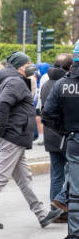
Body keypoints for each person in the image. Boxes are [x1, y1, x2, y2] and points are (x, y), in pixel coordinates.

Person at [0, 51, 48, 228]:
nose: (32, 67)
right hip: (12, 136)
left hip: (14, 136)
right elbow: (2, 105)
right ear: (20, 67)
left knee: (24, 177)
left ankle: (42, 214)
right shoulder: (15, 82)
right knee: (0, 176)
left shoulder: (11, 80)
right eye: (28, 64)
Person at [42, 41, 79, 239]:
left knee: (75, 191)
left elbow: (47, 115)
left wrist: (65, 131)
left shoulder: (62, 84)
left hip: (74, 142)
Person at [39, 53, 73, 226]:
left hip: (51, 136)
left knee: (56, 174)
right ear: (69, 67)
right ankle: (62, 204)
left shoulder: (45, 84)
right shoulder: (68, 83)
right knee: (72, 172)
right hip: (67, 135)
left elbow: (42, 109)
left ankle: (56, 210)